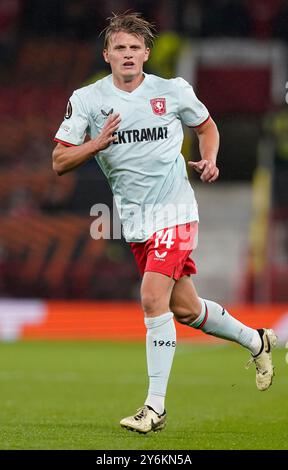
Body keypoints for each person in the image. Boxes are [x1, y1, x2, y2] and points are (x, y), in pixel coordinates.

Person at [52, 12, 277, 434]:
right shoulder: (86, 100)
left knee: (153, 298)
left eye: (135, 48)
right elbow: (59, 160)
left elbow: (207, 127)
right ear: (107, 55)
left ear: (146, 54)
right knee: (186, 309)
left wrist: (209, 159)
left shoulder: (172, 91)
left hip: (176, 211)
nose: (128, 55)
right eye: (119, 48)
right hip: (135, 221)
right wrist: (95, 144)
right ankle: (256, 340)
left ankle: (154, 408)